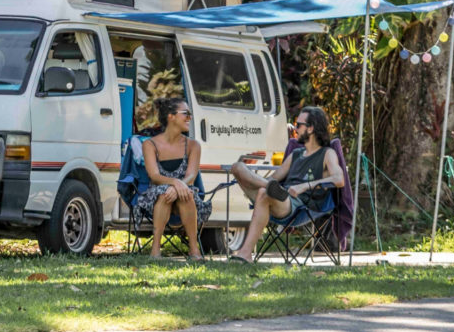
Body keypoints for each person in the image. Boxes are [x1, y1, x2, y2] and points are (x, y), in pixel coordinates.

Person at [228, 106, 344, 263]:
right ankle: (270, 190)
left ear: (311, 128)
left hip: (298, 205)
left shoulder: (326, 154)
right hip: (278, 195)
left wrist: (305, 186)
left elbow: (339, 179)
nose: (295, 129)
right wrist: (257, 182)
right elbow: (274, 178)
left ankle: (245, 254)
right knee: (238, 167)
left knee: (265, 193)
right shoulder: (295, 154)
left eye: (298, 125)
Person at [134, 97, 211, 260]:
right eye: (186, 114)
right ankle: (155, 250)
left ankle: (194, 250)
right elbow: (154, 176)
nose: (189, 118)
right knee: (164, 195)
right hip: (157, 194)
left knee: (186, 194)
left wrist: (178, 187)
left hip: (185, 191)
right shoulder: (150, 144)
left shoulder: (193, 145)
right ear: (171, 116)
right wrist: (175, 183)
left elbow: (191, 175)